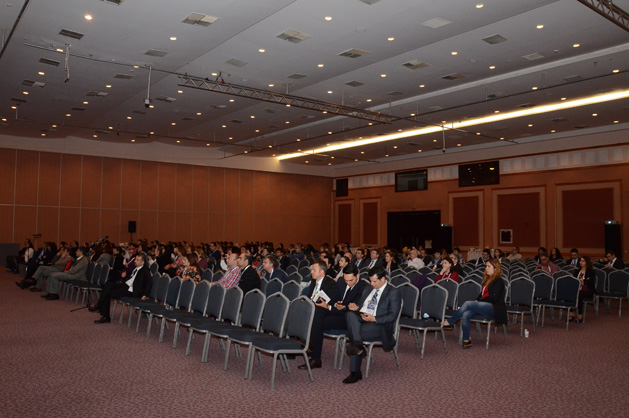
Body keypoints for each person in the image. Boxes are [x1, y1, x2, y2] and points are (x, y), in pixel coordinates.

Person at [343, 266, 401, 384]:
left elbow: (392, 316)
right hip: (363, 318)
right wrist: (356, 308)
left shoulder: (393, 292)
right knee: (349, 314)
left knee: (355, 332)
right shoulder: (368, 288)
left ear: (383, 279)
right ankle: (359, 347)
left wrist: (374, 318)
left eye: (374, 281)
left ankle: (355, 371)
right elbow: (361, 306)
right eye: (370, 281)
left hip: (379, 324)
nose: (371, 284)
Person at [443, 258, 507, 349]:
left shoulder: (498, 281)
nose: (486, 268)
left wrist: (479, 301)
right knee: (465, 314)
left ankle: (450, 321)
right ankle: (467, 339)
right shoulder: (487, 280)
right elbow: (481, 295)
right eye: (486, 266)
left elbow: (494, 298)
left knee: (468, 304)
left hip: (494, 308)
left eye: (489, 266)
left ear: (495, 268)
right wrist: (477, 300)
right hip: (484, 306)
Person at [298, 259, 339, 370]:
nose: (311, 272)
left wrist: (310, 304)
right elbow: (311, 297)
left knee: (317, 314)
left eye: (314, 270)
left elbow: (324, 302)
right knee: (297, 307)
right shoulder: (314, 281)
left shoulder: (330, 284)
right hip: (313, 308)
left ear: (321, 272)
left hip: (326, 311)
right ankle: (295, 346)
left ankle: (316, 358)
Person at [90, 253, 152, 324]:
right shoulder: (136, 268)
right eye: (135, 259)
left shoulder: (145, 270)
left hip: (132, 290)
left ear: (142, 262)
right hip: (126, 285)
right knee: (108, 284)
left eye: (137, 260)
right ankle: (99, 306)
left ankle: (104, 315)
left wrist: (145, 295)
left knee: (108, 293)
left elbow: (149, 282)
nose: (135, 261)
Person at [571, 256, 595, 323]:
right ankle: (571, 312)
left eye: (583, 261)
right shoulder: (576, 271)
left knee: (579, 294)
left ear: (587, 262)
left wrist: (583, 281)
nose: (581, 262)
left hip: (587, 290)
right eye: (580, 260)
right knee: (571, 292)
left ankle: (580, 314)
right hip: (577, 289)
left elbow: (590, 282)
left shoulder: (591, 272)